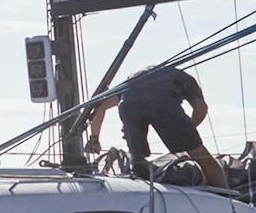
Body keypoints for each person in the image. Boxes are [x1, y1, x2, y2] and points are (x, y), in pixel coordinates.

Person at [93, 62, 226, 188]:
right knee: (200, 155)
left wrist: (94, 139)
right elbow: (201, 108)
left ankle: (139, 183)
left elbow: (100, 107)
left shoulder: (131, 81)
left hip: (128, 104)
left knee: (137, 159)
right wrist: (187, 130)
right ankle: (226, 196)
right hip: (162, 104)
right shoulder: (185, 79)